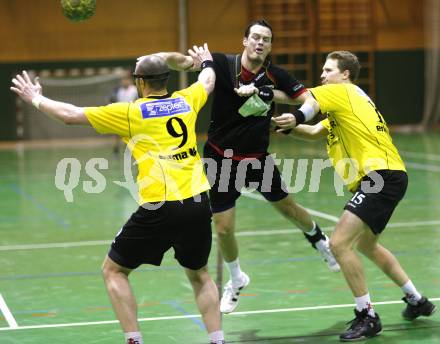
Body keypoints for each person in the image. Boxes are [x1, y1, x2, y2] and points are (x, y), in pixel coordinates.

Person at [11, 44, 227, 344]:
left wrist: (35, 98)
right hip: (198, 202)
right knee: (200, 274)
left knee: (113, 270)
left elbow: (71, 115)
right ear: (166, 78)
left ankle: (134, 340)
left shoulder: (130, 112)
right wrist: (206, 61)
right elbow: (207, 81)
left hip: (160, 206)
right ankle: (218, 340)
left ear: (140, 82)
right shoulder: (186, 101)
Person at [148, 19, 340, 315]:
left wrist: (298, 117)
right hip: (219, 157)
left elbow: (310, 100)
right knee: (223, 229)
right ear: (245, 41)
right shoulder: (224, 65)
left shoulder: (276, 76)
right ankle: (236, 278)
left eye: (266, 39)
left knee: (288, 208)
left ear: (270, 46)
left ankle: (318, 238)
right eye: (255, 37)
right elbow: (184, 62)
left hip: (256, 158)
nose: (260, 42)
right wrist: (157, 59)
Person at [272, 50, 437, 341]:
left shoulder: (342, 92)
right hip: (389, 176)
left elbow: (298, 99)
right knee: (367, 245)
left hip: (379, 177)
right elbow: (311, 132)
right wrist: (280, 125)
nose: (323, 75)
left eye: (328, 70)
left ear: (345, 74)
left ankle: (368, 316)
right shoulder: (345, 105)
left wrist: (260, 93)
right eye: (322, 71)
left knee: (338, 244)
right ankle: (415, 298)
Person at [108, 70, 138, 154]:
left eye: (126, 79)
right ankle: (115, 151)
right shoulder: (118, 90)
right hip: (120, 115)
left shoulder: (135, 90)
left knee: (131, 135)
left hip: (131, 115)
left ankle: (130, 151)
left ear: (130, 80)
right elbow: (111, 100)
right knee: (116, 134)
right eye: (123, 79)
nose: (124, 81)